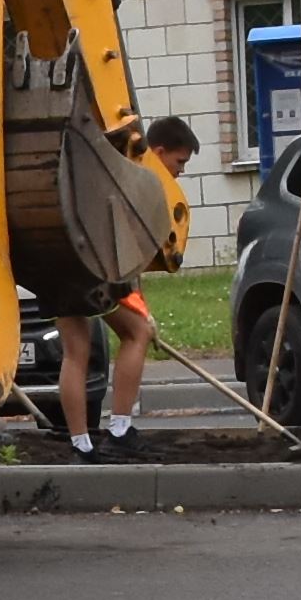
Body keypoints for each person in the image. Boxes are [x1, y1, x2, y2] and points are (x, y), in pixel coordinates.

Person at [61, 113, 201, 458]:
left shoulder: (91, 162)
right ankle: (120, 430)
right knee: (136, 332)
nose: (179, 171)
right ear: (158, 151)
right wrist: (144, 314)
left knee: (75, 351)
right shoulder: (131, 180)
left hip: (59, 253)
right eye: (178, 161)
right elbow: (122, 260)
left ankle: (81, 445)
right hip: (92, 258)